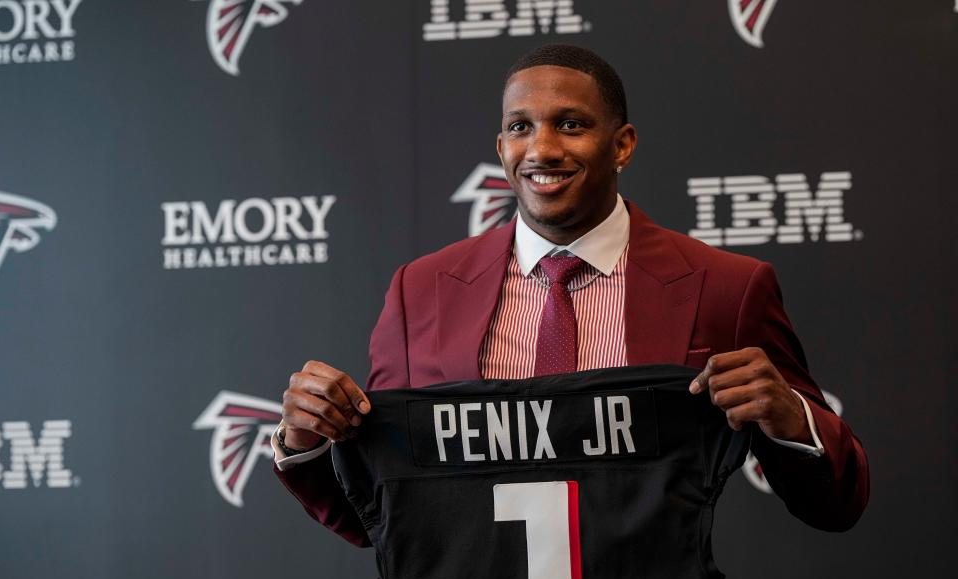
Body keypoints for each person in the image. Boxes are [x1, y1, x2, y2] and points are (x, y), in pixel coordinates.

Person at [273, 44, 869, 547]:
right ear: (501, 145)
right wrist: (304, 444)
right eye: (519, 127)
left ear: (623, 144)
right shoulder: (419, 292)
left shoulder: (728, 287)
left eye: (572, 124)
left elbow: (836, 504)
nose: (542, 149)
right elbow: (381, 519)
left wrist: (792, 420)